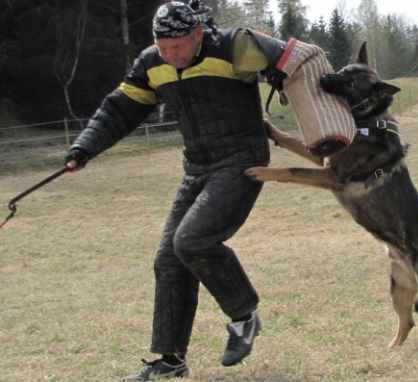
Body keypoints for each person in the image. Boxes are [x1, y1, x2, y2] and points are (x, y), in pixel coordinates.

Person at [65, 1, 288, 380]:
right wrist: (84, 147)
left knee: (192, 241)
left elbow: (294, 61)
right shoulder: (152, 63)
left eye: (179, 47)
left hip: (241, 160)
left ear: (198, 34)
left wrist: (284, 77)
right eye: (164, 48)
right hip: (196, 167)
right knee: (170, 259)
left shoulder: (232, 47)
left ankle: (244, 316)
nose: (171, 55)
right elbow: (119, 109)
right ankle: (170, 361)